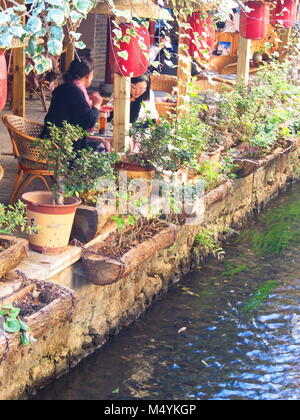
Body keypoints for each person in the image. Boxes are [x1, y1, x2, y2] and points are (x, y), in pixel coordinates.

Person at [41, 57, 110, 152]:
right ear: (88, 75)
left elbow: (77, 117)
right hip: (61, 146)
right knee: (101, 147)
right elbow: (89, 121)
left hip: (54, 138)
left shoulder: (64, 88)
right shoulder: (75, 91)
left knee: (100, 141)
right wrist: (97, 104)